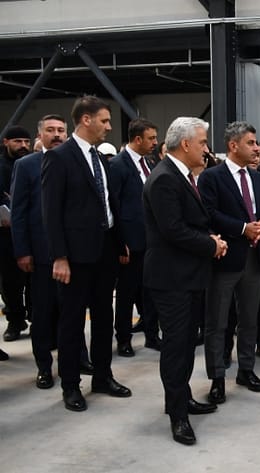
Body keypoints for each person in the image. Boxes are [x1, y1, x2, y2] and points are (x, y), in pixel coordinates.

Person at [41, 95, 131, 411]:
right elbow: (51, 213)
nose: (109, 127)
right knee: (72, 322)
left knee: (104, 316)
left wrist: (119, 241)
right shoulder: (59, 158)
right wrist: (59, 256)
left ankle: (102, 376)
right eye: (105, 120)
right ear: (86, 120)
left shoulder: (99, 158)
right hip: (75, 256)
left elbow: (107, 202)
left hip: (104, 250)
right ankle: (70, 385)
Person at [144, 116, 225, 445]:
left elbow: (189, 222)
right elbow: (173, 230)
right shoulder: (165, 178)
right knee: (176, 348)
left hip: (187, 275)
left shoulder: (181, 175)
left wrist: (209, 238)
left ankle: (183, 397)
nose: (206, 149)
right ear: (186, 143)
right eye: (203, 142)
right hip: (171, 278)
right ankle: (177, 415)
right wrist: (211, 244)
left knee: (187, 343)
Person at [199, 121, 260, 403]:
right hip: (225, 258)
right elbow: (209, 214)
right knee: (217, 322)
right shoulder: (212, 177)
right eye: (251, 143)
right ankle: (217, 378)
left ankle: (246, 370)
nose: (257, 148)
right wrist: (244, 228)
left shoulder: (259, 178)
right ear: (233, 146)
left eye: (256, 143)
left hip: (254, 258)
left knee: (249, 319)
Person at [10, 114, 86, 388]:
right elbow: (18, 212)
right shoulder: (26, 165)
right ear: (40, 134)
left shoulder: (75, 162)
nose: (57, 135)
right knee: (42, 314)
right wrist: (22, 251)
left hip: (74, 252)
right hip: (42, 254)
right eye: (51, 130)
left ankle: (78, 358)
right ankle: (44, 365)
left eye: (61, 130)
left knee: (73, 312)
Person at [109, 118, 159, 357]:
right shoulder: (118, 165)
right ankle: (123, 339)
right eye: (151, 138)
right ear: (138, 139)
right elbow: (114, 206)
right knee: (126, 294)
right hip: (130, 242)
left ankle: (152, 335)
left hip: (151, 241)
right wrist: (121, 242)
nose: (155, 143)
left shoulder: (149, 162)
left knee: (150, 290)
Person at [1, 125, 32, 342]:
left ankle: (35, 318)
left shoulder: (33, 164)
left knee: (34, 282)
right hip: (6, 234)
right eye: (17, 142)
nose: (23, 146)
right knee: (10, 282)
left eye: (26, 142)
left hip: (32, 232)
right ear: (6, 142)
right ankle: (15, 320)